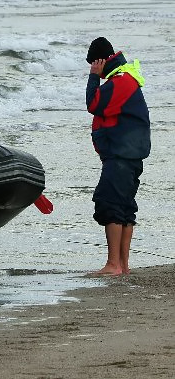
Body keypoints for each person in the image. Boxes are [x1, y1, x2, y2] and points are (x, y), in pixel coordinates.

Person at [85, 37, 150, 275]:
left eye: (94, 64)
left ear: (100, 61)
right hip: (128, 154)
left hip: (122, 154)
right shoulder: (125, 78)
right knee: (124, 207)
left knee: (110, 204)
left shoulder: (121, 81)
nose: (96, 71)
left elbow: (93, 103)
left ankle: (114, 265)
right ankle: (122, 265)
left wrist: (93, 76)